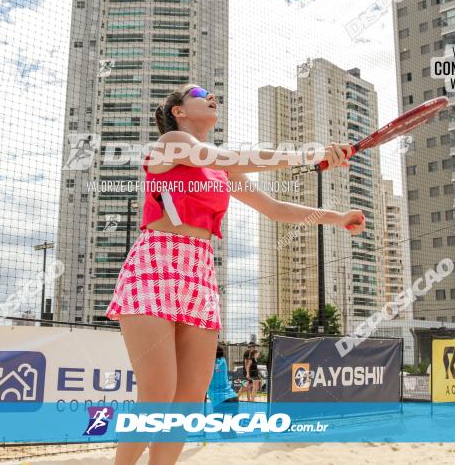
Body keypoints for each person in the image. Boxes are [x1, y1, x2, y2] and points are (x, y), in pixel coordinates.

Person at [105, 84, 365, 465]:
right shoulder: (171, 143)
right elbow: (232, 155)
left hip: (199, 270)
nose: (211, 97)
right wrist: (313, 153)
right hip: (155, 265)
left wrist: (336, 217)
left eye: (213, 94)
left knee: (189, 398)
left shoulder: (221, 168)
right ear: (178, 111)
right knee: (158, 393)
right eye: (199, 93)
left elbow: (275, 209)